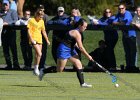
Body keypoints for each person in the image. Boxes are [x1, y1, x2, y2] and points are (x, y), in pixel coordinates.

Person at [39, 19, 93, 88]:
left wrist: (80, 50)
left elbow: (75, 43)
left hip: (71, 50)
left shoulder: (77, 32)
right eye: (85, 26)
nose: (86, 28)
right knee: (59, 69)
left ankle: (82, 84)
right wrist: (88, 56)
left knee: (79, 64)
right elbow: (81, 48)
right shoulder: (77, 33)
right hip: (63, 50)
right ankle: (43, 71)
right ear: (80, 26)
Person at [113, 4, 138, 72]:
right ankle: (128, 66)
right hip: (124, 35)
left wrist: (119, 23)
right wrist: (120, 23)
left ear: (125, 8)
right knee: (127, 52)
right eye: (119, 8)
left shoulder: (127, 13)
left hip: (131, 35)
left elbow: (125, 22)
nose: (121, 9)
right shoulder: (118, 14)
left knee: (132, 52)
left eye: (122, 8)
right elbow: (114, 22)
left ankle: (133, 66)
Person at [27, 10, 50, 75]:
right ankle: (36, 68)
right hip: (33, 39)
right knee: (39, 54)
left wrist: (47, 40)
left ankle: (35, 69)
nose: (41, 18)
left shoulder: (42, 21)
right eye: (40, 16)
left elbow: (43, 31)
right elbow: (28, 31)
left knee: (37, 55)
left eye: (42, 16)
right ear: (37, 15)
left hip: (39, 39)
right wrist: (31, 39)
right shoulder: (31, 20)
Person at [1, 1, 20, 70]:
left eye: (6, 5)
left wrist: (7, 23)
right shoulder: (1, 12)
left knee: (13, 49)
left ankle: (16, 65)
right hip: (3, 34)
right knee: (5, 50)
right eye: (4, 5)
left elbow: (15, 20)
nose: (5, 6)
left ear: (9, 5)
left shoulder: (13, 12)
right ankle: (9, 65)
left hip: (11, 33)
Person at [37, 5, 49, 70]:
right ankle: (38, 65)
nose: (41, 10)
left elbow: (47, 27)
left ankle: (42, 64)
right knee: (38, 51)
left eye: (42, 9)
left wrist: (46, 37)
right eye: (40, 9)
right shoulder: (36, 15)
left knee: (43, 51)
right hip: (37, 36)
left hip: (43, 36)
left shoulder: (45, 16)